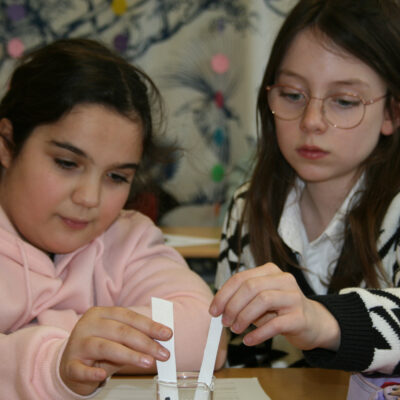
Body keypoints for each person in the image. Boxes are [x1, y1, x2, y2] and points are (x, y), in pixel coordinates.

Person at [0, 38, 225, 399]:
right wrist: (55, 359)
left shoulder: (125, 237)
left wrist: (75, 348)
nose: (89, 198)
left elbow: (205, 335)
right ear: (7, 144)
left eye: (117, 177)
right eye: (67, 163)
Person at [210, 0, 400, 374]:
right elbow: (236, 353)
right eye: (292, 95)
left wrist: (321, 320)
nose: (311, 121)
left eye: (344, 101)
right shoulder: (249, 205)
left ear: (393, 113)